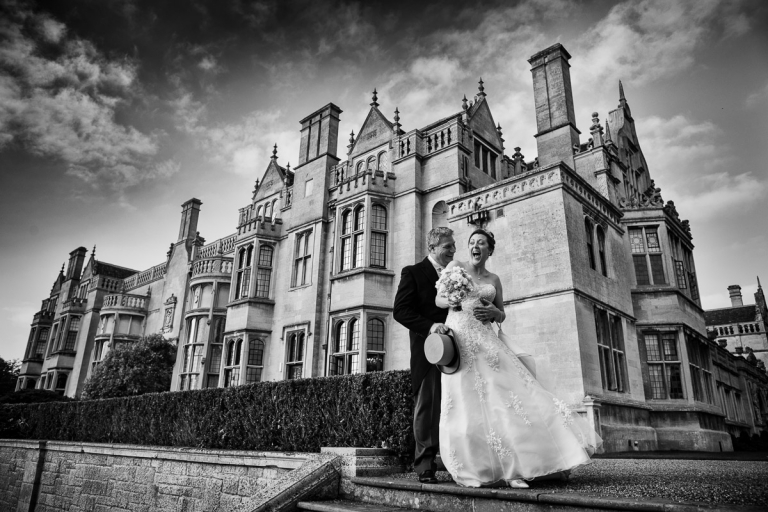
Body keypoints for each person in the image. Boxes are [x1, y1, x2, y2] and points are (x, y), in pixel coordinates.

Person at [436, 228, 600, 488]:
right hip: (460, 343)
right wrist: (453, 296)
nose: (475, 246)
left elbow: (502, 314)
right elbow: (439, 300)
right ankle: (479, 466)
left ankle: (516, 468)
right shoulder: (456, 267)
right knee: (465, 406)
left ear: (490, 250)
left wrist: (493, 312)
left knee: (505, 401)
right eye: (472, 242)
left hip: (487, 344)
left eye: (481, 243)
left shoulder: (494, 279)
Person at [393, 227, 456, 484]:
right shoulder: (413, 272)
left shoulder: (456, 272)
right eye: (447, 246)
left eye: (453, 245)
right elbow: (401, 311)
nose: (453, 250)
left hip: (459, 347)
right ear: (432, 247)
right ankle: (425, 465)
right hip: (429, 351)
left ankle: (458, 460)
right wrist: (430, 326)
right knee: (428, 407)